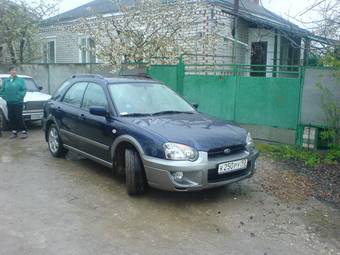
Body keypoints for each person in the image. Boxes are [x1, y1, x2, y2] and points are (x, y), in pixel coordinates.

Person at [0, 67, 27, 139]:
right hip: (9, 102)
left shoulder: (20, 80)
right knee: (11, 117)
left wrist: (19, 96)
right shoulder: (6, 81)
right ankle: (14, 132)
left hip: (18, 102)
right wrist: (5, 97)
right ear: (9, 72)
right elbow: (2, 90)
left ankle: (23, 131)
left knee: (18, 116)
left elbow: (24, 90)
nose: (13, 72)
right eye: (12, 70)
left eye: (15, 70)